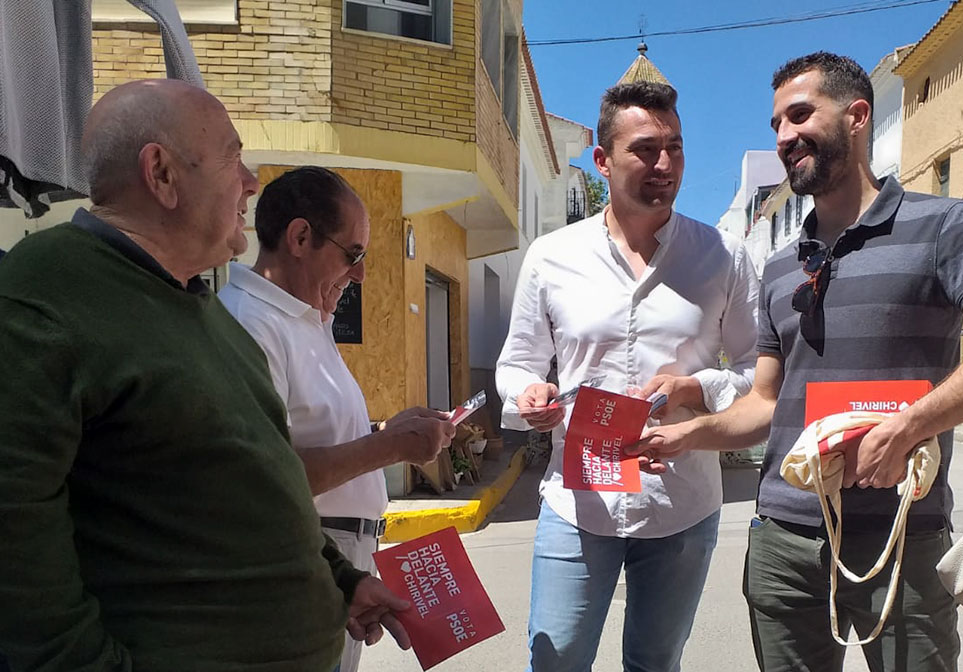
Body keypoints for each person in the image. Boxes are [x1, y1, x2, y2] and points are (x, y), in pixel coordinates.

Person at [0, 80, 412, 672]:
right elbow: (16, 537)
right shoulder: (49, 293)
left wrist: (340, 578)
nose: (250, 183)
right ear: (161, 174)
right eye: (232, 158)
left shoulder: (200, 307)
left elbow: (254, 482)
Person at [632, 52, 963, 672]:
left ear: (858, 116)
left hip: (902, 537)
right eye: (776, 127)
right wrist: (691, 434)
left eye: (799, 115)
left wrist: (912, 425)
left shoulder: (944, 226)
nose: (785, 138)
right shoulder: (782, 265)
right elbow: (765, 403)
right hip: (784, 543)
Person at [495, 80, 759, 672]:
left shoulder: (726, 256)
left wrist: (696, 388)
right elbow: (516, 365)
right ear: (602, 160)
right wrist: (527, 394)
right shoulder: (551, 256)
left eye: (676, 147)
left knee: (654, 663)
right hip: (578, 500)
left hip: (682, 505)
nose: (664, 164)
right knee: (556, 660)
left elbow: (754, 375)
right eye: (644, 149)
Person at [219, 165, 457, 672]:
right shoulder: (251, 323)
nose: (362, 275)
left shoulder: (307, 317)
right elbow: (268, 476)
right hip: (305, 553)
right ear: (300, 237)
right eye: (354, 255)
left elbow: (313, 436)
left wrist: (386, 434)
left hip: (338, 556)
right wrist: (392, 448)